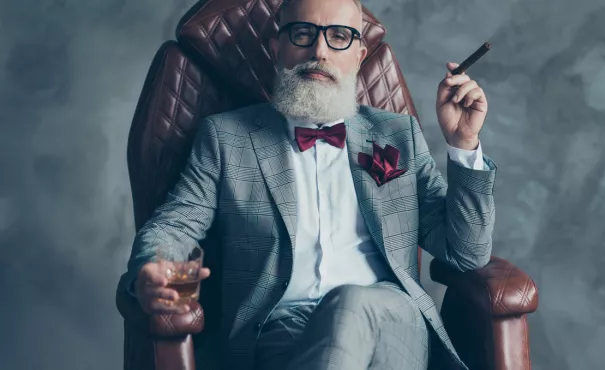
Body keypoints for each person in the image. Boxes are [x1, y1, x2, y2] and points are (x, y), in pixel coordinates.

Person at [120, 0, 496, 369]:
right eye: (303, 33)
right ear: (277, 48)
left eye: (339, 36)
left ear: (360, 55)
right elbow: (175, 224)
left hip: (392, 326)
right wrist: (153, 267)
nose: (319, 50)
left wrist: (463, 144)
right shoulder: (225, 138)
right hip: (277, 333)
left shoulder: (398, 135)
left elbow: (467, 252)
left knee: (352, 304)